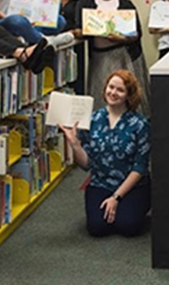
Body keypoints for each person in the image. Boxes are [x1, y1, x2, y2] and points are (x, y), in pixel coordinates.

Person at [60, 70, 151, 237]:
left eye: (120, 90)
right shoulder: (93, 119)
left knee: (128, 227)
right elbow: (86, 164)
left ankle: (137, 206)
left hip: (132, 186)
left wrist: (116, 197)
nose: (113, 93)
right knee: (97, 229)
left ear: (128, 96)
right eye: (111, 87)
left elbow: (140, 168)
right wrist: (75, 145)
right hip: (100, 183)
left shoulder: (140, 124)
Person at [75, 0, 151, 114]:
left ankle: (131, 127)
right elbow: (78, 29)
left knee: (127, 93)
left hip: (123, 54)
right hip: (99, 56)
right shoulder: (85, 3)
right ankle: (103, 127)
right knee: (101, 92)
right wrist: (87, 31)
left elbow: (136, 34)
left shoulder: (125, 5)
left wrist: (121, 38)